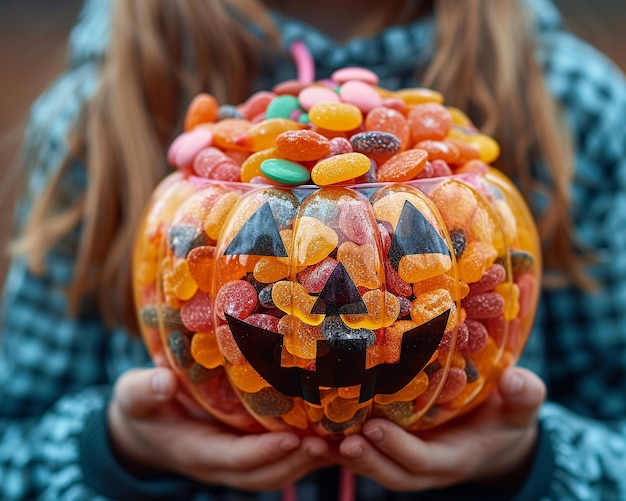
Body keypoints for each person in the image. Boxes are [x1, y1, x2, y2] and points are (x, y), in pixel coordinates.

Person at [1, 0, 625, 499]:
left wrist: (529, 459)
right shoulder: (92, 118)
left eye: (408, 235)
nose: (340, 305)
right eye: (256, 241)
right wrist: (114, 452)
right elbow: (14, 444)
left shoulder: (579, 109)